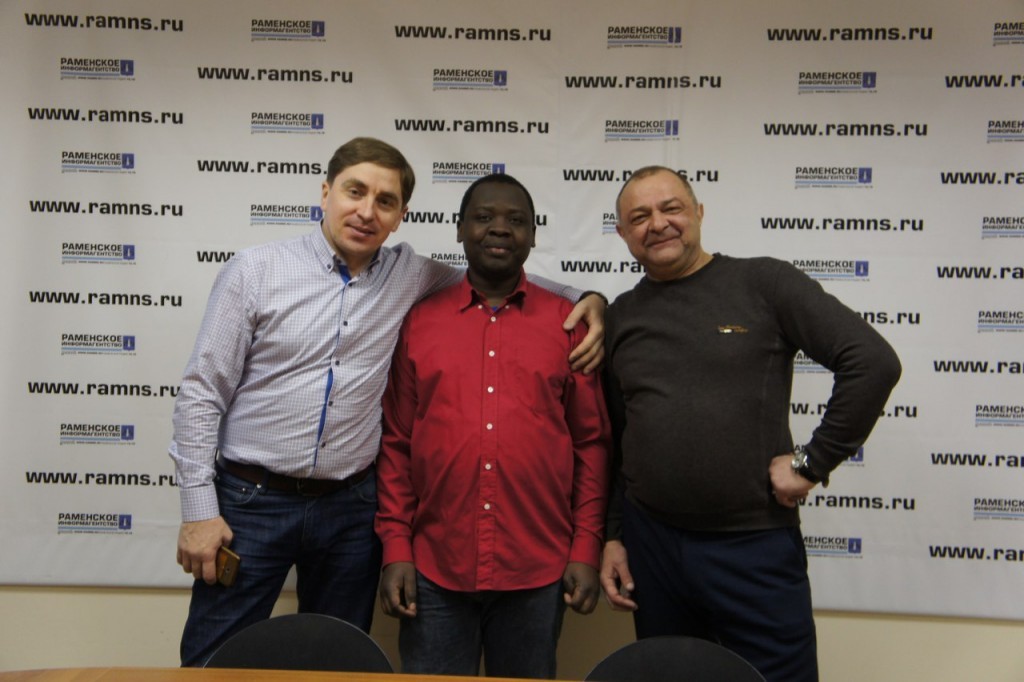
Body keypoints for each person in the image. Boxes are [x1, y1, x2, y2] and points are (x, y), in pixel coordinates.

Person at [169, 138, 606, 667]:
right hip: (251, 502)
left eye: (385, 201)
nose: (366, 211)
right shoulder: (255, 270)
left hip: (350, 512)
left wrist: (589, 299)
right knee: (217, 661)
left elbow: (501, 274)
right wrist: (199, 511)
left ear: (401, 216)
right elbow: (201, 393)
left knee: (337, 662)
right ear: (326, 192)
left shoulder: (414, 276)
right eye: (355, 192)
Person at [599, 166, 902, 682]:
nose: (658, 224)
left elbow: (872, 362)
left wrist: (812, 462)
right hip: (653, 546)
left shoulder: (764, 282)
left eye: (671, 208)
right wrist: (613, 537)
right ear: (624, 233)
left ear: (698, 213)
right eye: (640, 216)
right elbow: (619, 439)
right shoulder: (621, 316)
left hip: (752, 546)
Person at [375, 173, 611, 679]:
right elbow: (396, 444)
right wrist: (396, 547)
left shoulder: (570, 324)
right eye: (483, 217)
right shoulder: (420, 321)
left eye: (516, 220)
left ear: (533, 235)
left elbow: (591, 445)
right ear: (460, 229)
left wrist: (586, 547)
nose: (500, 229)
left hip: (539, 568)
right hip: (435, 567)